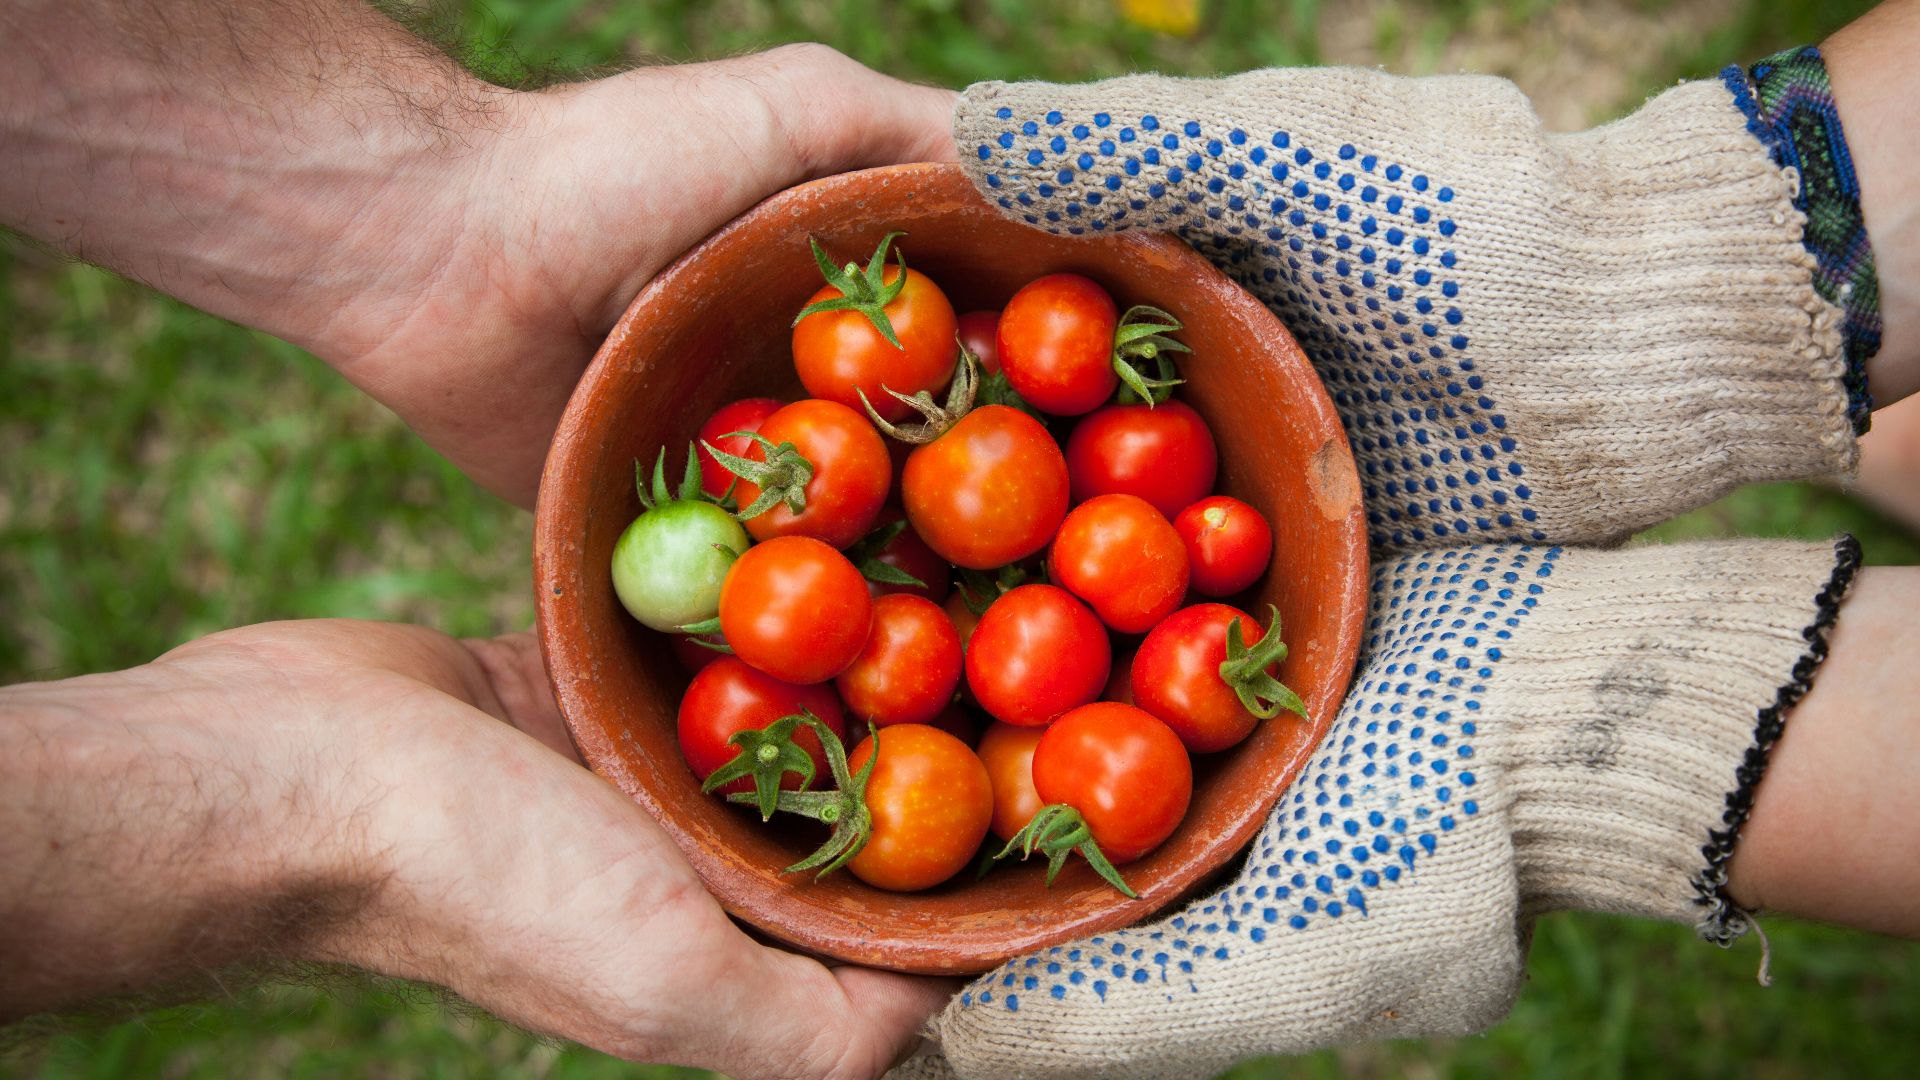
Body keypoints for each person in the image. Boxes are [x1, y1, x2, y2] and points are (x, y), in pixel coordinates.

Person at [2, 1, 1917, 1078]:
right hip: (1047, 655)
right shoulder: (889, 594)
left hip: (1060, 633)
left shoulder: (893, 521)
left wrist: (1663, 269)